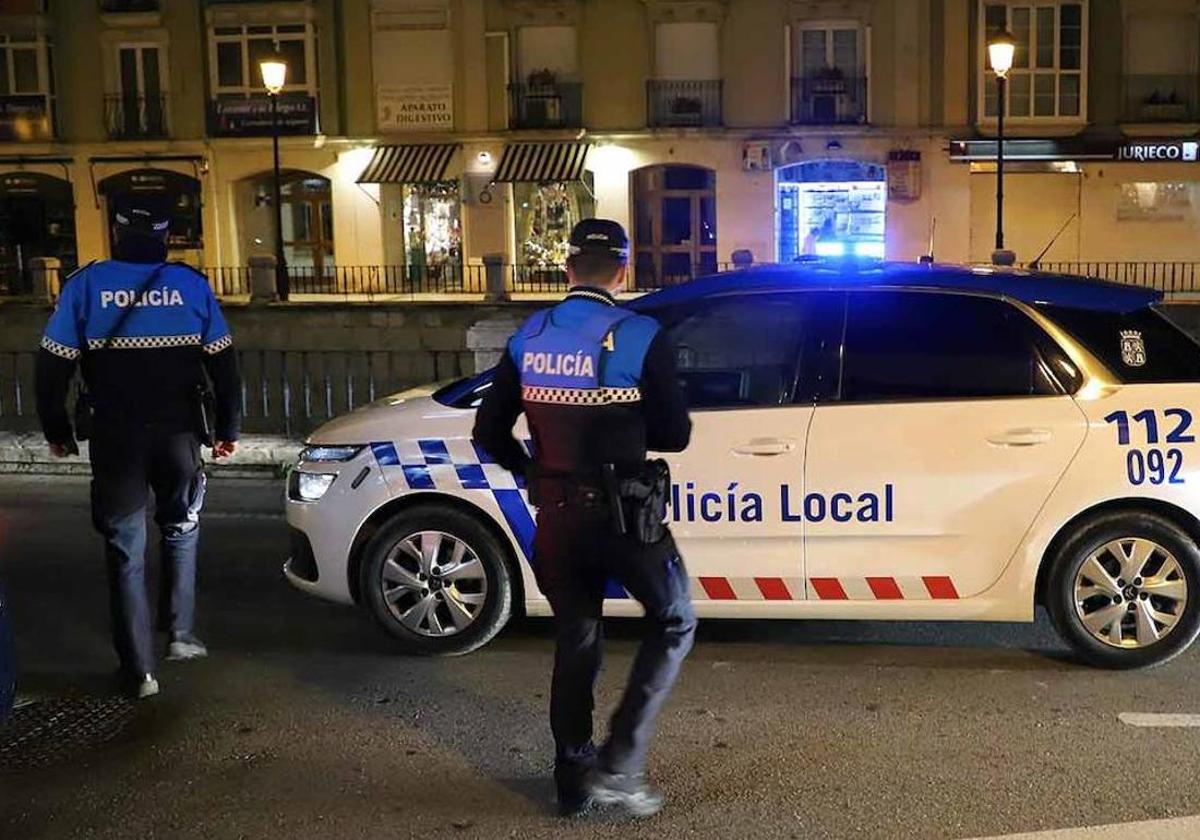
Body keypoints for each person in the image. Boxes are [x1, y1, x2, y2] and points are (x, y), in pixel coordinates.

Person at [473, 219, 695, 819]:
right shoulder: (641, 334)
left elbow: (488, 432)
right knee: (674, 619)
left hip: (557, 519)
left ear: (567, 268)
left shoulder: (530, 335)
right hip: (626, 519)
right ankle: (620, 765)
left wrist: (534, 473)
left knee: (576, 638)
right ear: (622, 271)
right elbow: (675, 435)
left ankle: (572, 780)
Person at [35, 195, 242, 700]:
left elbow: (50, 369)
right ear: (167, 236)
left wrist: (57, 430)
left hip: (115, 440)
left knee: (125, 551)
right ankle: (181, 634)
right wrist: (227, 429)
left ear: (115, 232)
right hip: (178, 439)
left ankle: (140, 671)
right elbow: (225, 366)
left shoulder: (84, 286)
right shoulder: (191, 287)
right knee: (181, 528)